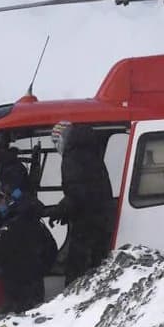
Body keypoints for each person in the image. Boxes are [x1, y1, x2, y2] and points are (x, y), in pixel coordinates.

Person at [50, 121, 114, 283]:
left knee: (77, 269)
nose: (56, 147)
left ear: (64, 139)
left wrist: (62, 209)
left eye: (56, 142)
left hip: (87, 222)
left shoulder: (72, 157)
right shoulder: (90, 153)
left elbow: (78, 192)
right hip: (99, 219)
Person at [0, 184, 58, 313]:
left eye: (1, 197)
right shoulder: (36, 224)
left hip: (17, 293)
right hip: (34, 287)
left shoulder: (11, 228)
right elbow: (51, 252)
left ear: (11, 202)